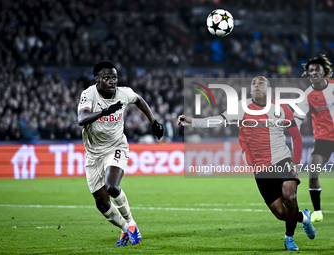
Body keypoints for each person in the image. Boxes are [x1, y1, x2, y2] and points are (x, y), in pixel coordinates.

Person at [177, 76, 316, 251]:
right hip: (260, 168)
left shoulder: (282, 109)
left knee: (290, 196)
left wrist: (295, 161)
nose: (256, 86)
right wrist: (192, 121)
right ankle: (303, 217)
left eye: (260, 83)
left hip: (282, 160)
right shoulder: (241, 108)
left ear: (269, 89)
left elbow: (296, 136)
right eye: (253, 84)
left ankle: (289, 238)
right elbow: (217, 120)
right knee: (282, 214)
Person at [77, 61, 164, 247]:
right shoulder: (89, 94)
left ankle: (132, 225)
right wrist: (104, 112)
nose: (111, 81)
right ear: (97, 79)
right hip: (93, 154)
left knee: (112, 187)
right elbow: (81, 119)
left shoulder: (124, 93)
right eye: (107, 78)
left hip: (116, 146)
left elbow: (139, 99)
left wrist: (153, 122)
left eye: (114, 78)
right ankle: (125, 230)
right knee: (101, 203)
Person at [294, 54, 334, 223]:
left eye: (317, 69)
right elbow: (296, 120)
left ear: (325, 71)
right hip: (324, 139)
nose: (314, 72)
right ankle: (317, 211)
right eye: (311, 70)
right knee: (313, 171)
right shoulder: (307, 95)